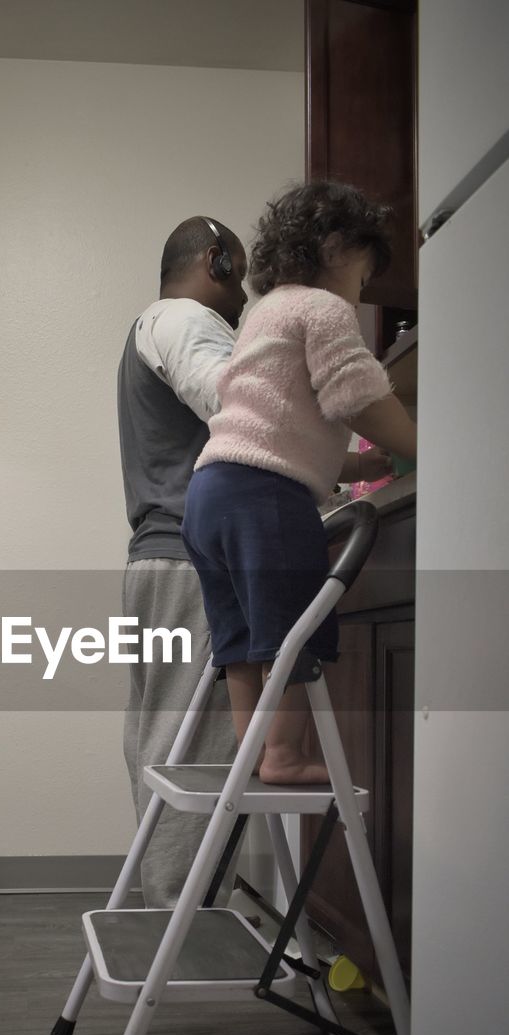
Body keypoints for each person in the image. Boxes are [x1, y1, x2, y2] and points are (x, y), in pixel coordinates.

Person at [181, 181, 417, 785]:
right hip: (264, 498)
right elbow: (357, 396)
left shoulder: (263, 316)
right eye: (364, 280)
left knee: (239, 637)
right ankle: (284, 752)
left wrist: (360, 467)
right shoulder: (322, 309)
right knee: (292, 627)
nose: (359, 295)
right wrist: (421, 444)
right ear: (338, 248)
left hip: (211, 492)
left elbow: (280, 426)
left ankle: (252, 749)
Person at [118, 216, 248, 908]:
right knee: (191, 751)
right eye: (241, 274)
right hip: (193, 565)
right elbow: (240, 405)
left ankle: (166, 909)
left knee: (158, 743)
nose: (246, 294)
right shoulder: (186, 318)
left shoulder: (154, 323)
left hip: (156, 562)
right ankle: (183, 924)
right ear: (215, 259)